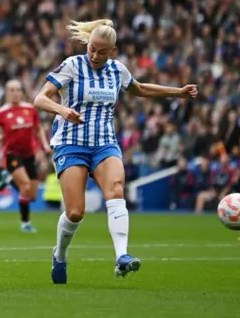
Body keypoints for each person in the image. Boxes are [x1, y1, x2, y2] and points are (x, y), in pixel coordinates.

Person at [33, 19, 197, 284]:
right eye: (92, 50)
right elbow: (40, 98)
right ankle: (60, 255)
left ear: (113, 51)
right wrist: (63, 110)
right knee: (75, 212)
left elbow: (140, 88)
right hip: (71, 143)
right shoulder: (72, 65)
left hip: (104, 143)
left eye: (102, 51)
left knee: (116, 189)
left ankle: (122, 256)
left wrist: (178, 92)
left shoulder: (117, 70)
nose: (96, 56)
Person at [0, 80, 51, 232]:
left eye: (18, 90)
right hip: (12, 154)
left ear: (22, 92)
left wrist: (45, 145)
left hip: (29, 154)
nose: (15, 93)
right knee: (25, 187)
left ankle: (9, 179)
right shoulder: (0, 113)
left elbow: (39, 129)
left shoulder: (31, 109)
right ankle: (25, 223)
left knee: (31, 195)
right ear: (7, 93)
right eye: (12, 90)